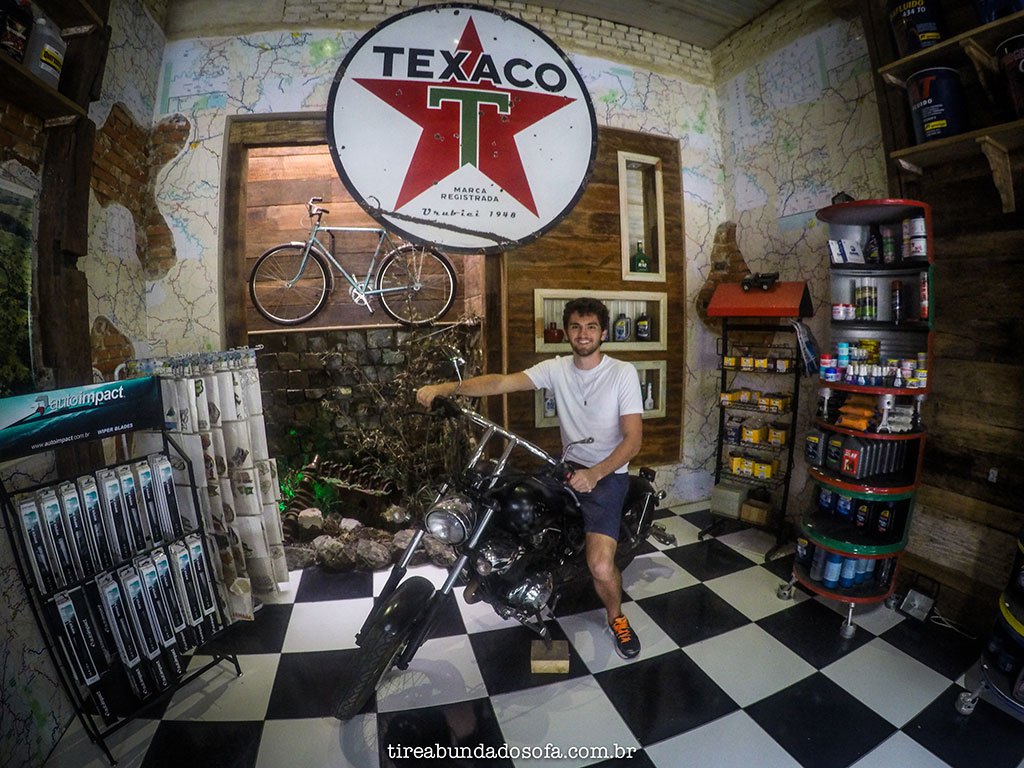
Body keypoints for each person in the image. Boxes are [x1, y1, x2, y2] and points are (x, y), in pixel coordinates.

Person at [415, 297, 643, 659]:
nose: (583, 334)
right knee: (512, 505)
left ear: (602, 332)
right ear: (567, 332)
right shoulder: (557, 368)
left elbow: (634, 439)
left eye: (591, 327)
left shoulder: (621, 373)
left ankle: (616, 617)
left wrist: (596, 473)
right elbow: (501, 382)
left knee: (600, 564)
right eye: (576, 327)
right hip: (566, 467)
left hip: (606, 476)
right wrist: (448, 388)